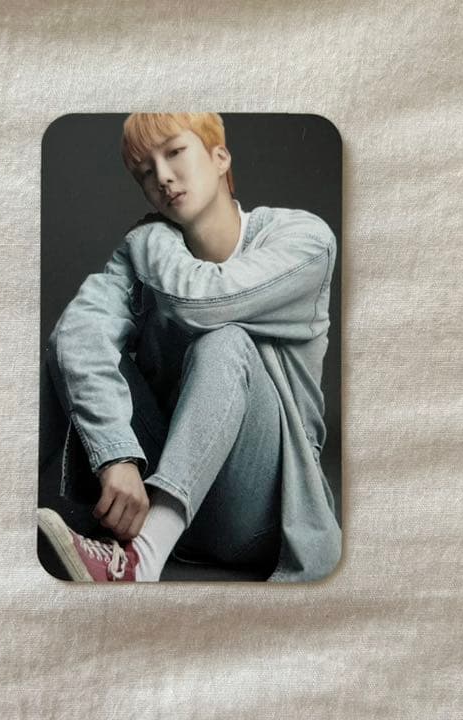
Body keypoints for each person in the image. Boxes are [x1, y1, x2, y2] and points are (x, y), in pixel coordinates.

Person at [38, 112, 341, 582]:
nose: (162, 176)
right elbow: (77, 335)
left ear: (220, 157)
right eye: (145, 171)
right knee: (81, 342)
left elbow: (201, 301)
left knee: (225, 342)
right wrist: (116, 454)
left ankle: (141, 559)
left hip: (258, 517)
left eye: (175, 152)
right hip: (164, 493)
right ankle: (24, 518)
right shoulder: (150, 248)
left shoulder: (304, 239)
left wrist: (149, 236)